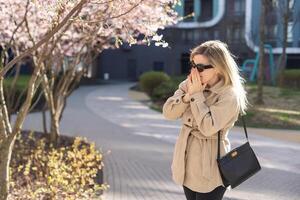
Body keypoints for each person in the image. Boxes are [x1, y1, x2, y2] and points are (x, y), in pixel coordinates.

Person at [162, 40, 249, 200]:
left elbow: (208, 128)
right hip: (186, 163)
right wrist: (188, 96)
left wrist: (196, 96)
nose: (195, 71)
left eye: (201, 67)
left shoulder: (229, 95)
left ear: (218, 67)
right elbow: (168, 113)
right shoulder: (189, 85)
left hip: (211, 168)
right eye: (193, 65)